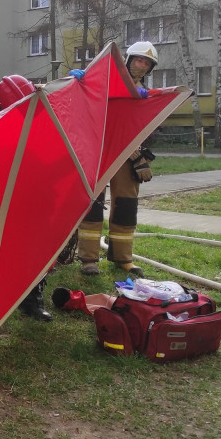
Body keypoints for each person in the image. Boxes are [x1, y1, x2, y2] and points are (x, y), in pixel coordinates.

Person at [74, 41, 158, 277]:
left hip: (128, 154)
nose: (142, 66)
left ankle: (123, 259)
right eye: (139, 60)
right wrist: (78, 81)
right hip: (99, 151)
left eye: (147, 63)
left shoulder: (146, 96)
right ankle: (88, 259)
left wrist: (146, 99)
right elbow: (85, 100)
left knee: (126, 207)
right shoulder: (104, 81)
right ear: (129, 60)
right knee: (93, 204)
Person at [0, 74, 51, 321]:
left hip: (32, 197)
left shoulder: (39, 117)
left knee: (36, 250)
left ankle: (32, 300)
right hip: (0, 200)